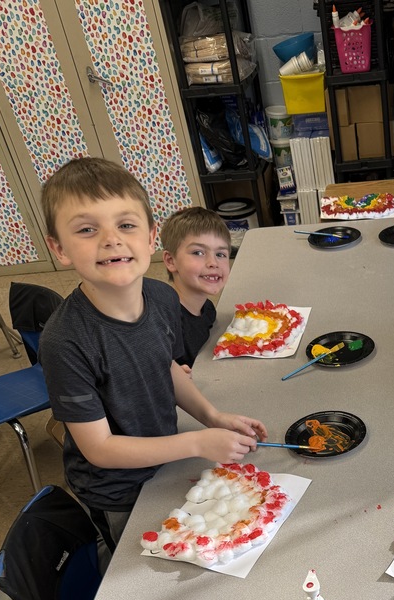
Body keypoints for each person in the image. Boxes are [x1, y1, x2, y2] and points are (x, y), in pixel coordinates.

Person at [38, 157, 267, 552]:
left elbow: (164, 365)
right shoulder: (65, 341)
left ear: (149, 238)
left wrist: (212, 417)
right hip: (120, 492)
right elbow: (100, 448)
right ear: (59, 249)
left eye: (125, 225)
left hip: (166, 460)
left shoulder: (162, 298)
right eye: (88, 230)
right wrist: (196, 443)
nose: (111, 239)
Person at [160, 206, 231, 368]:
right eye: (198, 252)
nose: (213, 263)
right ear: (171, 261)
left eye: (220, 254)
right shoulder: (168, 326)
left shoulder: (207, 309)